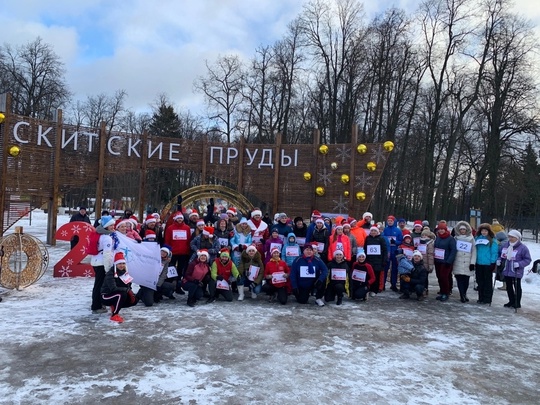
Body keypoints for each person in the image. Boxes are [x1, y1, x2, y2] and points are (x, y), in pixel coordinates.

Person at [90, 215, 117, 313]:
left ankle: (98, 304)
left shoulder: (99, 234)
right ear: (106, 226)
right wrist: (107, 268)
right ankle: (96, 306)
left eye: (113, 225)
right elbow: (107, 254)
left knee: (98, 284)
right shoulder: (107, 238)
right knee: (99, 285)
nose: (113, 227)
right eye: (111, 225)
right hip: (101, 263)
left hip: (95, 261)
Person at [101, 252, 139, 323]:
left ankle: (114, 305)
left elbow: (128, 287)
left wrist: (130, 292)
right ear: (116, 264)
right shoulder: (111, 273)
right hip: (106, 296)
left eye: (123, 263)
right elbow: (113, 288)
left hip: (117, 295)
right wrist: (127, 290)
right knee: (122, 294)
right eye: (119, 264)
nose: (121, 265)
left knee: (134, 300)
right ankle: (114, 315)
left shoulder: (125, 273)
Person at [499, 230, 531, 309]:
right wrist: (499, 260)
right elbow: (500, 254)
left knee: (517, 286)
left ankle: (517, 302)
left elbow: (527, 259)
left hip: (516, 271)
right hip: (507, 269)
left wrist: (519, 264)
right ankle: (511, 301)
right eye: (509, 236)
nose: (510, 238)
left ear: (517, 238)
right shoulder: (505, 245)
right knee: (509, 286)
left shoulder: (523, 248)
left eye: (512, 237)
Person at [290, 242, 328, 306]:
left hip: (314, 283)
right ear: (303, 251)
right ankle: (303, 294)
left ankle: (318, 298)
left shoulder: (317, 260)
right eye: (307, 250)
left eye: (310, 250)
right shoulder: (298, 260)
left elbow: (325, 270)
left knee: (323, 279)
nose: (309, 252)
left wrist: (320, 280)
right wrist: (294, 286)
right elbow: (293, 274)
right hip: (303, 284)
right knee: (302, 301)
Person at [164, 211, 192, 294]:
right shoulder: (170, 228)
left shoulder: (187, 228)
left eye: (181, 218)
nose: (180, 220)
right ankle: (170, 289)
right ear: (175, 219)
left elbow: (189, 240)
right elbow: (167, 241)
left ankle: (178, 287)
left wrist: (188, 251)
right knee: (171, 271)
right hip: (173, 253)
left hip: (183, 253)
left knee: (180, 271)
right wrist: (168, 252)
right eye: (178, 218)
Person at [474, 223, 499, 305]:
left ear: (488, 231)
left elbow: (494, 252)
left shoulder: (492, 240)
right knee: (479, 281)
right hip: (478, 263)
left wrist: (492, 262)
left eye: (485, 231)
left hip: (487, 263)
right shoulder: (477, 238)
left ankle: (487, 298)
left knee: (487, 281)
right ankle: (480, 297)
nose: (484, 232)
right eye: (482, 231)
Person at [453, 222, 476, 303]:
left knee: (466, 280)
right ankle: (461, 294)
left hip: (467, 261)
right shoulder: (456, 238)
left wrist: (472, 263)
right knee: (459, 279)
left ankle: (464, 293)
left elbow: (474, 250)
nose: (462, 231)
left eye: (464, 229)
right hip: (457, 261)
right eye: (461, 229)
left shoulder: (471, 238)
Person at [434, 224, 457, 301]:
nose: (441, 231)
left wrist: (449, 261)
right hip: (438, 260)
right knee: (439, 277)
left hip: (446, 261)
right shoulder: (438, 237)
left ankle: (446, 293)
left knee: (444, 277)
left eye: (442, 229)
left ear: (445, 230)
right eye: (439, 229)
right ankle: (442, 290)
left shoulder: (450, 239)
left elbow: (453, 251)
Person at [364, 226, 388, 296]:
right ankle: (369, 288)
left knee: (376, 275)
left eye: (375, 231)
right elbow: (365, 248)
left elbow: (385, 250)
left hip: (378, 260)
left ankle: (375, 290)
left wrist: (384, 260)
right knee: (369, 275)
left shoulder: (381, 239)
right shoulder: (367, 238)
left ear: (377, 232)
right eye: (372, 231)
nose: (373, 232)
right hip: (369, 260)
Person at [382, 215, 403, 293]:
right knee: (385, 268)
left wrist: (396, 242)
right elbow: (382, 239)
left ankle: (393, 284)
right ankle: (383, 284)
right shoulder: (385, 230)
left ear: (394, 222)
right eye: (388, 221)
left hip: (395, 251)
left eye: (391, 221)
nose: (390, 222)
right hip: (387, 251)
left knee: (395, 268)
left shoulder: (398, 230)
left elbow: (401, 241)